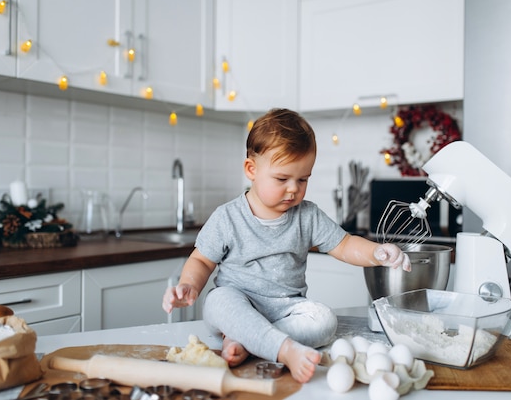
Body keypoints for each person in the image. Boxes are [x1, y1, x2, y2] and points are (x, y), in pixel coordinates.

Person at [162, 108, 411, 383]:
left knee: (324, 320)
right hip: (237, 303)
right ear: (251, 170)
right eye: (282, 179)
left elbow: (344, 244)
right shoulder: (227, 217)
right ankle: (283, 348)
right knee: (218, 301)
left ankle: (246, 341)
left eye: (303, 179)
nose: (293, 189)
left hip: (288, 309)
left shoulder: (308, 215)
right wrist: (190, 285)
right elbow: (201, 261)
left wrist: (376, 252)